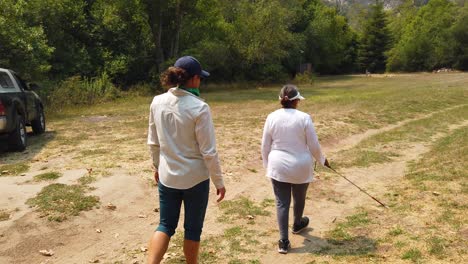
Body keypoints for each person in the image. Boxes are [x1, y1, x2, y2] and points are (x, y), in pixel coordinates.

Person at [147, 56, 226, 264]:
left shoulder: (157, 102)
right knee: (192, 229)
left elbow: (153, 142)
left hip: (168, 177)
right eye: (200, 78)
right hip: (196, 179)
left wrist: (157, 167)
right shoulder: (200, 108)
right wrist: (219, 182)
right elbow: (208, 152)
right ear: (193, 79)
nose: (200, 82)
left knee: (165, 225)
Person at [261, 84, 329, 254]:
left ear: (281, 100)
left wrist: (267, 166)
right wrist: (322, 160)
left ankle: (283, 241)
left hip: (278, 165)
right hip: (301, 165)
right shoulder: (304, 117)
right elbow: (313, 145)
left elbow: (265, 145)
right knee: (299, 198)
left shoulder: (271, 117)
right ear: (297, 100)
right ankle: (297, 223)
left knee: (281, 203)